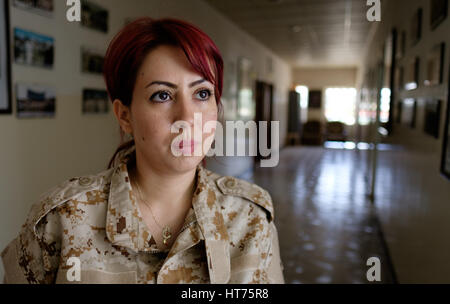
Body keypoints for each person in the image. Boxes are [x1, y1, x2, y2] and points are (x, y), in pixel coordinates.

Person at [1, 17, 284, 284]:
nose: (187, 117)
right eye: (162, 95)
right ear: (124, 116)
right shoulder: (61, 220)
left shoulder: (251, 217)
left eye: (202, 93)